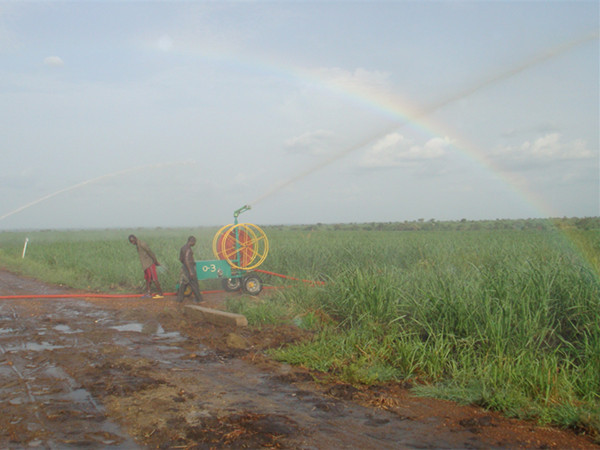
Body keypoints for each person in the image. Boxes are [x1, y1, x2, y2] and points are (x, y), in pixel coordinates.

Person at [128, 234, 164, 299]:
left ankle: (160, 293)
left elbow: (150, 252)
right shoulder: (137, 245)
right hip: (145, 265)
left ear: (135, 238)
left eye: (133, 241)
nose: (132, 243)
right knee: (148, 279)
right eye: (131, 242)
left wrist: (155, 261)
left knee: (154, 279)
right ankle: (148, 293)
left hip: (149, 264)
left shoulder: (142, 244)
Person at [177, 236, 203, 303]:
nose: (195, 244)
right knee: (194, 284)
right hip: (189, 268)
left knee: (183, 284)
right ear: (192, 241)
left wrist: (185, 266)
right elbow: (186, 260)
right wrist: (191, 271)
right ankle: (199, 299)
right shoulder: (188, 249)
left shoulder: (183, 248)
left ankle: (179, 300)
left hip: (184, 268)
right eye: (195, 242)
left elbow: (181, 259)